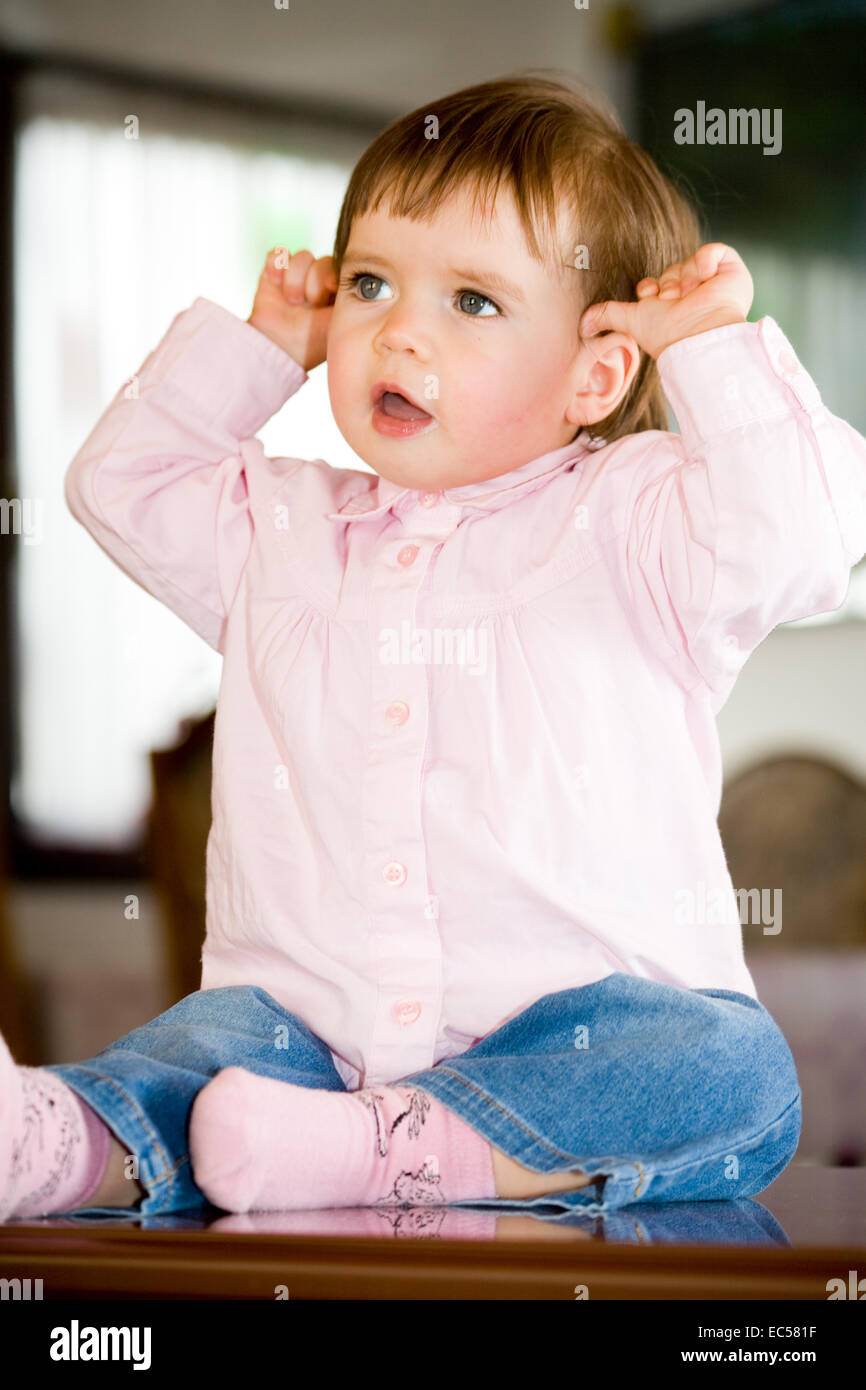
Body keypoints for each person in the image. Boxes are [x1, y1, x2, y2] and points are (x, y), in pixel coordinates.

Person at [3, 73, 863, 1227]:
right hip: (299, 1034)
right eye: (368, 283)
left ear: (594, 372)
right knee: (193, 1058)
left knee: (734, 1075)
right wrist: (262, 346)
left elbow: (804, 538)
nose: (396, 329)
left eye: (472, 301)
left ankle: (396, 1150)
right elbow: (118, 484)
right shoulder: (280, 529)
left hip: (571, 1039)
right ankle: (58, 1145)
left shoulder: (638, 519)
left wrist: (712, 348)